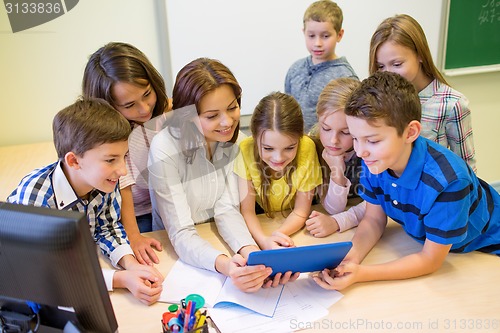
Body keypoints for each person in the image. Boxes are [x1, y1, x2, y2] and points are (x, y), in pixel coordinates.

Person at [313, 72, 500, 291]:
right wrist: (350, 260)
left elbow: (430, 260)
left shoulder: (449, 181)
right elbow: (373, 221)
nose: (360, 150)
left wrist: (362, 274)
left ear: (410, 132)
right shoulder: (375, 158)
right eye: (355, 138)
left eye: (372, 140)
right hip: (447, 248)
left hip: (486, 248)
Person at [148, 58, 295, 292]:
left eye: (232, 107)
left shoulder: (239, 143)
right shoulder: (164, 148)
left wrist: (253, 258)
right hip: (176, 254)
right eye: (212, 116)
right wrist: (226, 265)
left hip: (215, 237)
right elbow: (181, 232)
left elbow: (227, 209)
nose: (227, 122)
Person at [7, 98, 164, 305]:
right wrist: (119, 279)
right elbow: (47, 273)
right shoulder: (35, 199)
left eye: (123, 157)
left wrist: (131, 264)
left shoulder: (105, 180)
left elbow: (107, 228)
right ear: (73, 161)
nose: (123, 170)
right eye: (110, 160)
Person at [82, 42, 171, 266]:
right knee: (147, 259)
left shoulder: (163, 111)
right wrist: (133, 236)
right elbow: (124, 185)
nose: (143, 109)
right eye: (130, 104)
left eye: (147, 94)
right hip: (132, 214)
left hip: (166, 204)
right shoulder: (111, 136)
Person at [369, 14, 476, 171]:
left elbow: (467, 168)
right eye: (381, 66)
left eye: (397, 64)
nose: (388, 74)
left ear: (420, 55)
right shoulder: (377, 98)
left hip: (435, 193)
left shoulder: (452, 104)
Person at [235, 92, 322, 250]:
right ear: (255, 138)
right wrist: (263, 241)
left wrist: (277, 236)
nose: (278, 158)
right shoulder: (245, 149)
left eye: (289, 148)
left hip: (291, 223)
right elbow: (247, 212)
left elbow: (301, 211)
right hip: (262, 221)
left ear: (299, 139)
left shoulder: (307, 147)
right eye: (268, 148)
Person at [285, 0, 358, 132]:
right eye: (311, 36)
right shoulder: (295, 69)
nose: (317, 43)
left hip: (328, 147)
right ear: (304, 32)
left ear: (339, 35)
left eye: (325, 36)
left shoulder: (345, 76)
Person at [306, 78, 366, 237]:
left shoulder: (369, 150)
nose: (333, 140)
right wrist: (336, 171)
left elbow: (378, 205)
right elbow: (333, 208)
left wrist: (337, 170)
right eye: (325, 128)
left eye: (345, 132)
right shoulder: (313, 144)